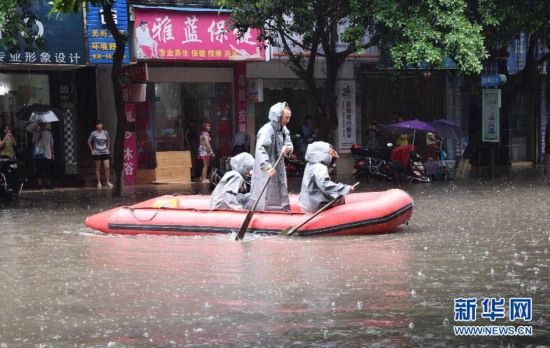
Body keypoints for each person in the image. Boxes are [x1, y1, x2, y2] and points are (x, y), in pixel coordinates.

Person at [245, 102, 293, 212]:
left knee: (280, 190)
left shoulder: (284, 130)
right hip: (266, 170)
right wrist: (267, 167)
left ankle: (282, 211)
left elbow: (289, 143)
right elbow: (261, 151)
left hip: (279, 168)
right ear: (278, 116)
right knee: (265, 193)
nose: (288, 120)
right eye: (286, 117)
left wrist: (288, 150)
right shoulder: (266, 130)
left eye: (289, 118)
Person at [299, 141, 354, 214]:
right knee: (340, 199)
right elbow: (325, 185)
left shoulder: (310, 165)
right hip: (316, 206)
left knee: (335, 196)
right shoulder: (320, 167)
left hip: (307, 204)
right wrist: (345, 188)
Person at [88, 120, 112, 188]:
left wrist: (108, 148)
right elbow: (89, 141)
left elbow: (108, 140)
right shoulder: (93, 133)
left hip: (105, 152)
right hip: (97, 152)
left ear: (102, 125)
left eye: (100, 124)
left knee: (107, 167)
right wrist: (92, 150)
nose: (99, 126)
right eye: (98, 124)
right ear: (96, 126)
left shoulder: (105, 132)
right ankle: (99, 182)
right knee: (98, 168)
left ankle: (107, 181)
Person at [32, 122, 54, 189]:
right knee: (39, 169)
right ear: (39, 125)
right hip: (39, 154)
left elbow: (52, 144)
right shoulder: (36, 133)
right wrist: (38, 138)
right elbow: (33, 143)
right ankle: (39, 184)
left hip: (47, 153)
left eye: (44, 124)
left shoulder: (49, 133)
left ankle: (48, 184)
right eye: (41, 124)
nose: (43, 126)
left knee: (48, 169)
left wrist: (53, 154)